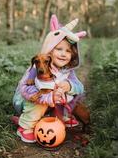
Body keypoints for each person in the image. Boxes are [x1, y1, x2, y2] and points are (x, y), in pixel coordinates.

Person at [13, 14, 87, 143]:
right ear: (50, 50)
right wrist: (47, 97)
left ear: (73, 55)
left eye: (68, 51)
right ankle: (25, 126)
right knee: (41, 104)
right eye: (59, 49)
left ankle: (59, 116)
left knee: (71, 95)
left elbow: (80, 88)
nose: (63, 54)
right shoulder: (38, 67)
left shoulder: (67, 71)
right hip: (28, 101)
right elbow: (24, 89)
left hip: (51, 101)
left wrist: (69, 86)